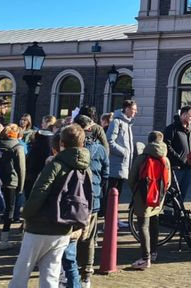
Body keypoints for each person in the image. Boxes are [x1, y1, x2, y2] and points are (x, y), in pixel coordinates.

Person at [9, 124, 91, 288]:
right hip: (64, 228)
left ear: (61, 143)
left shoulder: (55, 165)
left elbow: (39, 192)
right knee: (51, 275)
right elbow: (90, 197)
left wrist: (26, 214)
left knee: (21, 272)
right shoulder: (84, 167)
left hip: (40, 226)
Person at [67, 115, 108, 288]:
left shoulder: (72, 150)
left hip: (75, 199)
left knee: (72, 237)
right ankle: (86, 274)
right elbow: (106, 174)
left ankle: (71, 271)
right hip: (93, 199)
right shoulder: (100, 149)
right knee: (89, 238)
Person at [126, 131, 170, 271]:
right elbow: (168, 181)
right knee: (154, 222)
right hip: (159, 197)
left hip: (143, 196)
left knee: (143, 226)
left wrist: (137, 192)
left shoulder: (142, 158)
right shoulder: (165, 158)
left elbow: (131, 177)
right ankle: (154, 252)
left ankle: (145, 258)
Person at [107, 99, 137, 230]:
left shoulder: (128, 124)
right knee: (112, 194)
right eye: (134, 109)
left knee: (117, 195)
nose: (135, 112)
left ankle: (115, 220)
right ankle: (110, 222)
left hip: (123, 165)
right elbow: (110, 141)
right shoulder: (117, 122)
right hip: (116, 165)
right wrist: (124, 152)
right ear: (126, 109)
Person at [0, 124, 26, 250]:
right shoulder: (17, 147)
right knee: (10, 209)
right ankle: (4, 240)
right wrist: (21, 186)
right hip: (11, 182)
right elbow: (21, 168)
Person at [163, 105, 191, 201]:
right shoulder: (171, 129)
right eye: (190, 116)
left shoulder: (189, 129)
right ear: (183, 115)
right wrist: (179, 158)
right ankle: (169, 214)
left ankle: (178, 213)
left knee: (182, 193)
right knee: (173, 193)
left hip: (187, 167)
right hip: (176, 167)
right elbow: (167, 146)